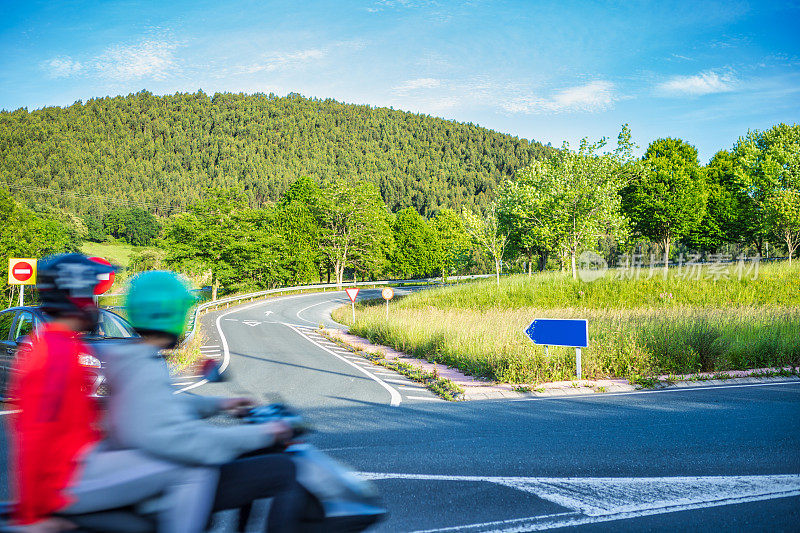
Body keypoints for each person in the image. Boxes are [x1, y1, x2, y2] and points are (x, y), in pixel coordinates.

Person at [9, 254, 218, 532]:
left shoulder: (63, 344)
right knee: (192, 470)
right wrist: (32, 517)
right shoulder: (55, 353)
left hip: (82, 461)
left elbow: (87, 410)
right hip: (69, 477)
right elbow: (33, 434)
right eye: (91, 295)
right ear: (76, 298)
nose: (96, 305)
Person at [96, 270, 307, 533]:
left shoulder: (134, 358)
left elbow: (160, 407)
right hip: (170, 477)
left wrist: (220, 405)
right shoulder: (144, 368)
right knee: (282, 470)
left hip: (156, 469)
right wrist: (267, 432)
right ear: (172, 312)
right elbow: (186, 441)